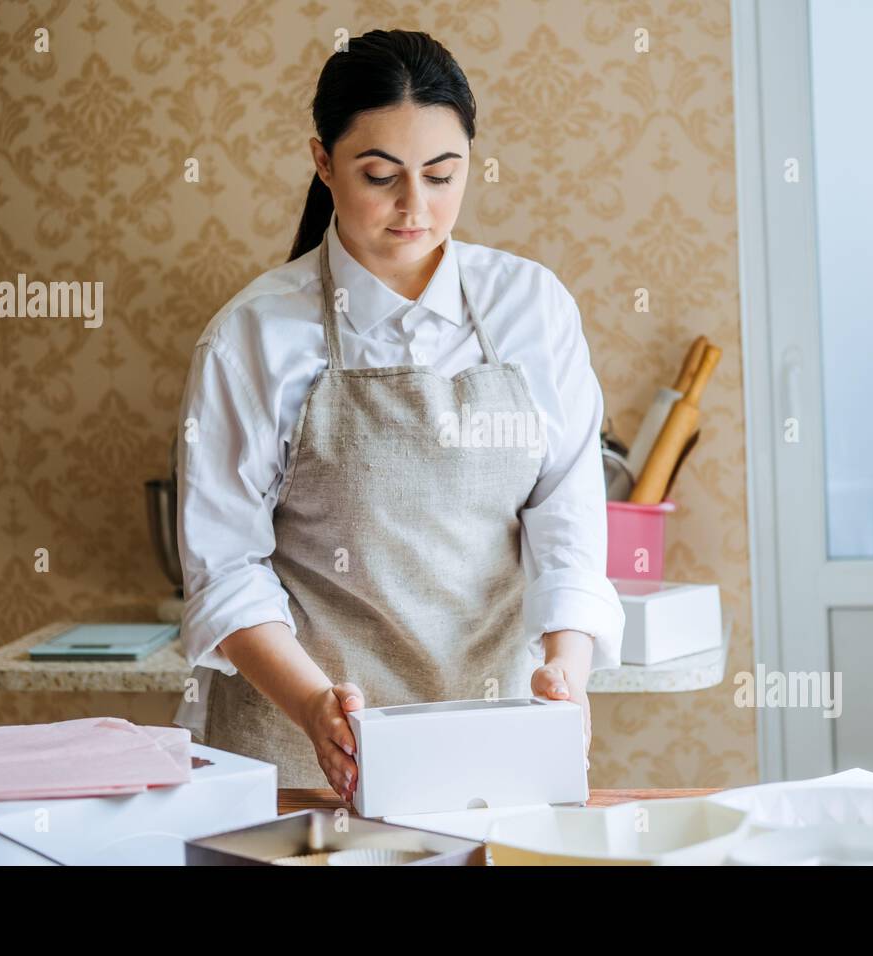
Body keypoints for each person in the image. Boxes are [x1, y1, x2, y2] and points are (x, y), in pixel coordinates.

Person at [173, 28, 624, 798]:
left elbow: (567, 517)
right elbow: (225, 570)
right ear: (323, 162)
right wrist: (318, 708)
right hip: (297, 754)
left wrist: (566, 670)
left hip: (492, 742)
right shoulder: (252, 336)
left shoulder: (532, 309)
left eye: (443, 175)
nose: (417, 207)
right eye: (381, 176)